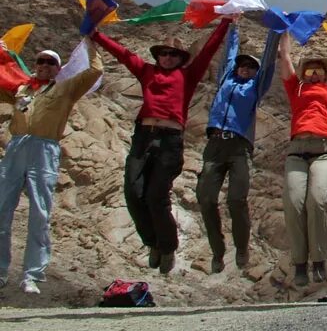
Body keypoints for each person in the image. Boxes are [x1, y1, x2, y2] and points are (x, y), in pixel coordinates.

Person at [92, 19, 230, 274]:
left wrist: (226, 22)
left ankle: (167, 248)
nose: (167, 57)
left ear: (180, 58)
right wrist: (96, 36)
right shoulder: (146, 72)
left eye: (173, 54)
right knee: (133, 193)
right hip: (143, 135)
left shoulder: (188, 75)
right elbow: (123, 54)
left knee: (157, 196)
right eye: (163, 54)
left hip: (170, 140)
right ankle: (152, 243)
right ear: (158, 57)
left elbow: (208, 50)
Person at [0, 40, 102, 294]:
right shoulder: (21, 89)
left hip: (44, 150)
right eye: (40, 61)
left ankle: (32, 275)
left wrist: (91, 40)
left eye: (50, 62)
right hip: (16, 148)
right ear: (34, 65)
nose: (44, 66)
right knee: (1, 211)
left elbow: (95, 72)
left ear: (59, 68)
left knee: (40, 212)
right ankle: (0, 272)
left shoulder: (66, 89)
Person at [198, 23, 280, 273]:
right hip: (214, 145)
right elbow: (229, 54)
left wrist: (274, 30)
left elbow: (267, 62)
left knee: (236, 198)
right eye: (243, 65)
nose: (246, 69)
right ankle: (218, 250)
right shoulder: (226, 78)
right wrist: (233, 26)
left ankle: (242, 247)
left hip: (239, 147)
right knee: (205, 198)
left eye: (251, 67)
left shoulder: (256, 86)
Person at [277, 34, 327, 287]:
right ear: (303, 74)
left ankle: (318, 260)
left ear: (324, 74)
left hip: (324, 150)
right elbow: (284, 58)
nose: (314, 74)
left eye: (319, 70)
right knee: (294, 203)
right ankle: (299, 264)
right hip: (297, 151)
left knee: (317, 200)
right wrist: (284, 33)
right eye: (309, 70)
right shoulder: (295, 88)